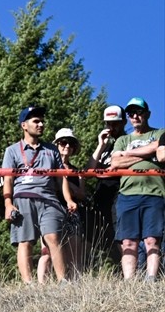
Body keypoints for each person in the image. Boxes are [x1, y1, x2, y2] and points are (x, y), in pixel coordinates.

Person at [1, 106, 73, 284]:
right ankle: (28, 283)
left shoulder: (52, 149)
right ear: (24, 125)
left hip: (49, 199)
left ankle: (63, 281)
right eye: (36, 121)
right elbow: (8, 179)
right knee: (25, 241)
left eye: (42, 121)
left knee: (53, 237)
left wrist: (68, 200)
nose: (41, 124)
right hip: (22, 198)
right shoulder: (12, 150)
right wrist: (8, 204)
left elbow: (61, 178)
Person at [109, 97, 163, 281]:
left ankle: (151, 278)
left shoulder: (159, 133)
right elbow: (115, 162)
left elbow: (159, 147)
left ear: (147, 114)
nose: (135, 116)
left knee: (152, 239)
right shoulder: (123, 139)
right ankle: (129, 281)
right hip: (127, 194)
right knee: (128, 241)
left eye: (139, 112)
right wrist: (147, 154)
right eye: (131, 113)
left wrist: (129, 154)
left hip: (154, 193)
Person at [38, 128, 86, 281]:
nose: (67, 146)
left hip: (71, 212)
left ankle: (74, 285)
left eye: (71, 144)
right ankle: (41, 287)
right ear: (56, 145)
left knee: (74, 251)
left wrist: (64, 181)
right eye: (63, 142)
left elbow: (81, 194)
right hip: (49, 210)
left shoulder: (77, 171)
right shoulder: (46, 167)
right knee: (46, 252)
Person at [87, 105, 127, 265]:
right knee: (96, 237)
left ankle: (132, 274)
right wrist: (100, 145)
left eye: (116, 123)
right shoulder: (105, 148)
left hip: (120, 195)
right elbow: (89, 170)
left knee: (121, 236)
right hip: (102, 196)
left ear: (124, 122)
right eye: (108, 124)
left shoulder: (128, 143)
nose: (112, 127)